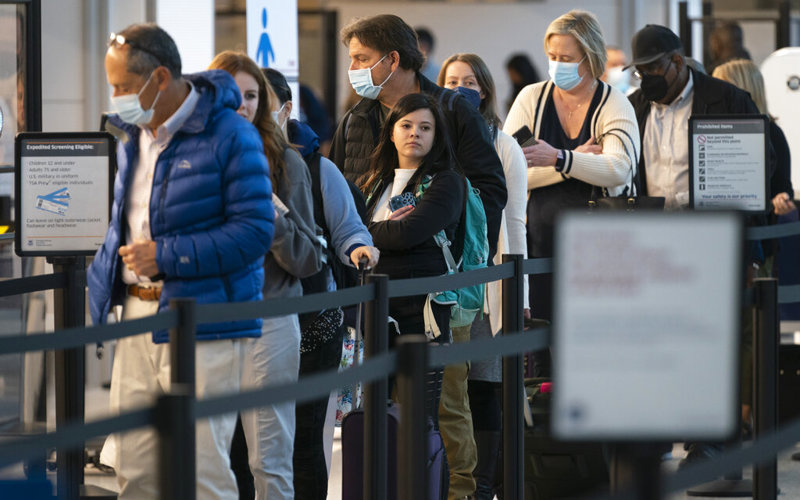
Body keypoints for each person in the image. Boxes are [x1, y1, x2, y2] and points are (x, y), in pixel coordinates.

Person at [88, 24, 274, 500]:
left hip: (203, 318)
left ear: (161, 78)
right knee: (135, 468)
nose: (116, 97)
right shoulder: (134, 138)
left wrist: (166, 256)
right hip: (134, 314)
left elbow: (255, 232)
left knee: (202, 469)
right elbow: (123, 226)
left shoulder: (231, 134)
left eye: (124, 87)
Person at [626, 24, 768, 466]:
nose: (647, 78)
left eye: (654, 69)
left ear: (679, 62)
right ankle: (660, 433)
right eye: (640, 71)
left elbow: (754, 176)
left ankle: (710, 444)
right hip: (654, 240)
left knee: (713, 342)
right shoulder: (633, 107)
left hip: (712, 236)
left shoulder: (727, 100)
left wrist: (747, 251)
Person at [209, 50, 324, 500]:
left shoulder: (286, 162)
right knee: (208, 455)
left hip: (270, 318)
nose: (242, 103)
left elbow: (308, 258)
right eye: (233, 93)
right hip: (206, 320)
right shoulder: (191, 157)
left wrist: (269, 214)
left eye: (253, 95)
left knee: (269, 458)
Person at [264, 66, 380, 500]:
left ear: (285, 109)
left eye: (259, 102)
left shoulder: (317, 167)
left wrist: (359, 249)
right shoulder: (226, 163)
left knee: (303, 440)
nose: (247, 111)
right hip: (245, 320)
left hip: (313, 320)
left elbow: (347, 227)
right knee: (239, 446)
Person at [503, 9, 640, 376]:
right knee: (544, 342)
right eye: (552, 57)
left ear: (590, 58)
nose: (556, 65)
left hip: (601, 246)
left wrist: (555, 159)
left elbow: (619, 170)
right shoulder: (532, 98)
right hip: (540, 244)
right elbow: (510, 174)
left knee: (594, 341)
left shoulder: (614, 103)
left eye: (566, 58)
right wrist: (576, 160)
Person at [329, 14, 507, 263]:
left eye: (362, 59)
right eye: (352, 59)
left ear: (393, 60)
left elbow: (488, 191)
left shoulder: (454, 112)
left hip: (438, 274)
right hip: (366, 269)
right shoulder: (354, 119)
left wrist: (464, 262)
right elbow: (336, 194)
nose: (352, 69)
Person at [438, 53, 529, 500]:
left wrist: (519, 291)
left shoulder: (503, 143)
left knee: (484, 384)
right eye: (451, 81)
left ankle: (485, 486)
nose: (459, 89)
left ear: (486, 89)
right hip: (442, 282)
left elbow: (514, 222)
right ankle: (457, 481)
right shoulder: (432, 135)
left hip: (489, 283)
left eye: (469, 81)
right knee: (448, 389)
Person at [362, 93, 463, 449]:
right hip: (374, 311)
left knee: (422, 424)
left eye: (425, 127)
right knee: (374, 421)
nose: (414, 134)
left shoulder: (447, 182)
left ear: (436, 136)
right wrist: (381, 230)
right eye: (406, 125)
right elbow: (343, 235)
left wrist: (370, 234)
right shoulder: (374, 182)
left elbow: (407, 233)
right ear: (391, 132)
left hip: (422, 314)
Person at [712, 58, 794, 438]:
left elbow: (784, 191)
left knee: (748, 331)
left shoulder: (770, 134)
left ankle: (742, 414)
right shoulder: (718, 133)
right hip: (727, 243)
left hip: (756, 248)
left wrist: (779, 199)